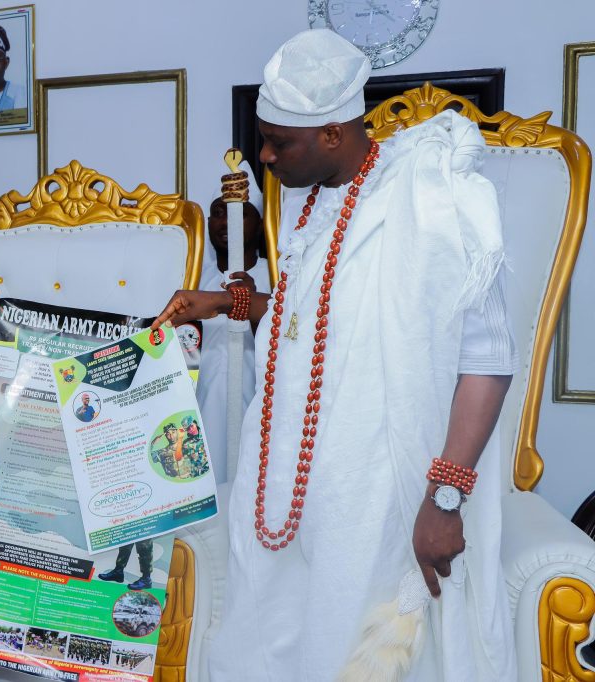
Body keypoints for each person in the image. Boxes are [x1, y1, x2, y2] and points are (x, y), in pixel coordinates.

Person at [154, 29, 516, 681]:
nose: (265, 157)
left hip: (382, 493)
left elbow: (488, 357)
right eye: (262, 138)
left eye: (278, 142)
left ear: (330, 133)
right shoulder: (315, 202)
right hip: (298, 490)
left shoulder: (434, 195)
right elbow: (315, 320)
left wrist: (445, 499)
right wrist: (227, 303)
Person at [195, 194, 269, 480]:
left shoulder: (278, 275)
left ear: (260, 224)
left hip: (259, 416)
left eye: (240, 214)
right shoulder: (192, 278)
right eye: (218, 213)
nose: (227, 221)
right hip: (201, 415)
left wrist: (251, 303)